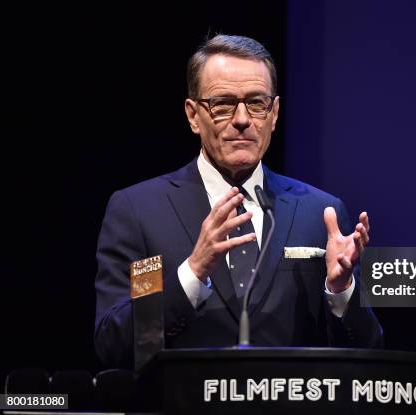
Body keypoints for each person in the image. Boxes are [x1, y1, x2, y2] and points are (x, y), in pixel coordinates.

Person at [94, 34, 383, 368]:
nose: (243, 119)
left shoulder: (320, 213)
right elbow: (114, 345)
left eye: (257, 103)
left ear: (274, 113)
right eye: (223, 104)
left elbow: (367, 354)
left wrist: (341, 291)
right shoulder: (140, 212)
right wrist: (192, 272)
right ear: (192, 115)